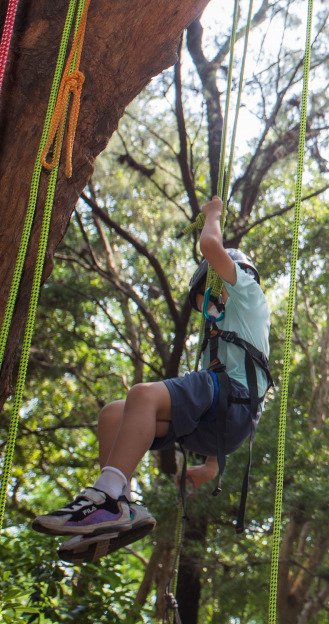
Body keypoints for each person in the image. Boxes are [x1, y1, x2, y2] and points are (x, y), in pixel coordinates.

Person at [33, 196, 271, 560]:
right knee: (115, 413)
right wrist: (208, 468)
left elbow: (210, 246)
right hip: (220, 421)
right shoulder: (216, 341)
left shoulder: (249, 295)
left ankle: (108, 497)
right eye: (202, 304)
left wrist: (214, 214)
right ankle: (119, 505)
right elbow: (221, 416)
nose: (208, 309)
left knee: (143, 395)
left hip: (232, 401)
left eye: (210, 296)